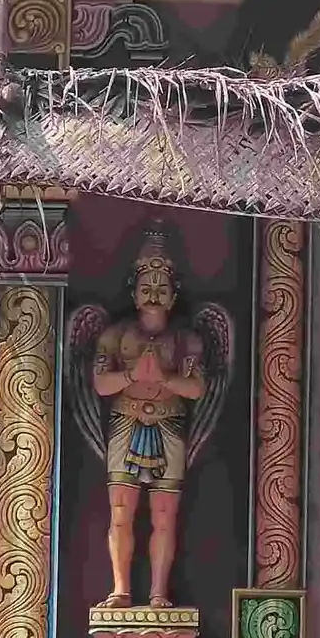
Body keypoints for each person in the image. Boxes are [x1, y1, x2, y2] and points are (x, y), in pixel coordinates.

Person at [90, 228, 208, 607]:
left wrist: (165, 379)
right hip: (125, 421)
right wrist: (131, 377)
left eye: (162, 286)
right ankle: (121, 588)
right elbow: (100, 384)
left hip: (169, 422)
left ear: (174, 295)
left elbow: (197, 388)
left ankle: (159, 592)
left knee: (164, 513)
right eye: (146, 284)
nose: (153, 292)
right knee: (121, 511)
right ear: (133, 291)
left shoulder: (186, 340)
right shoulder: (115, 335)